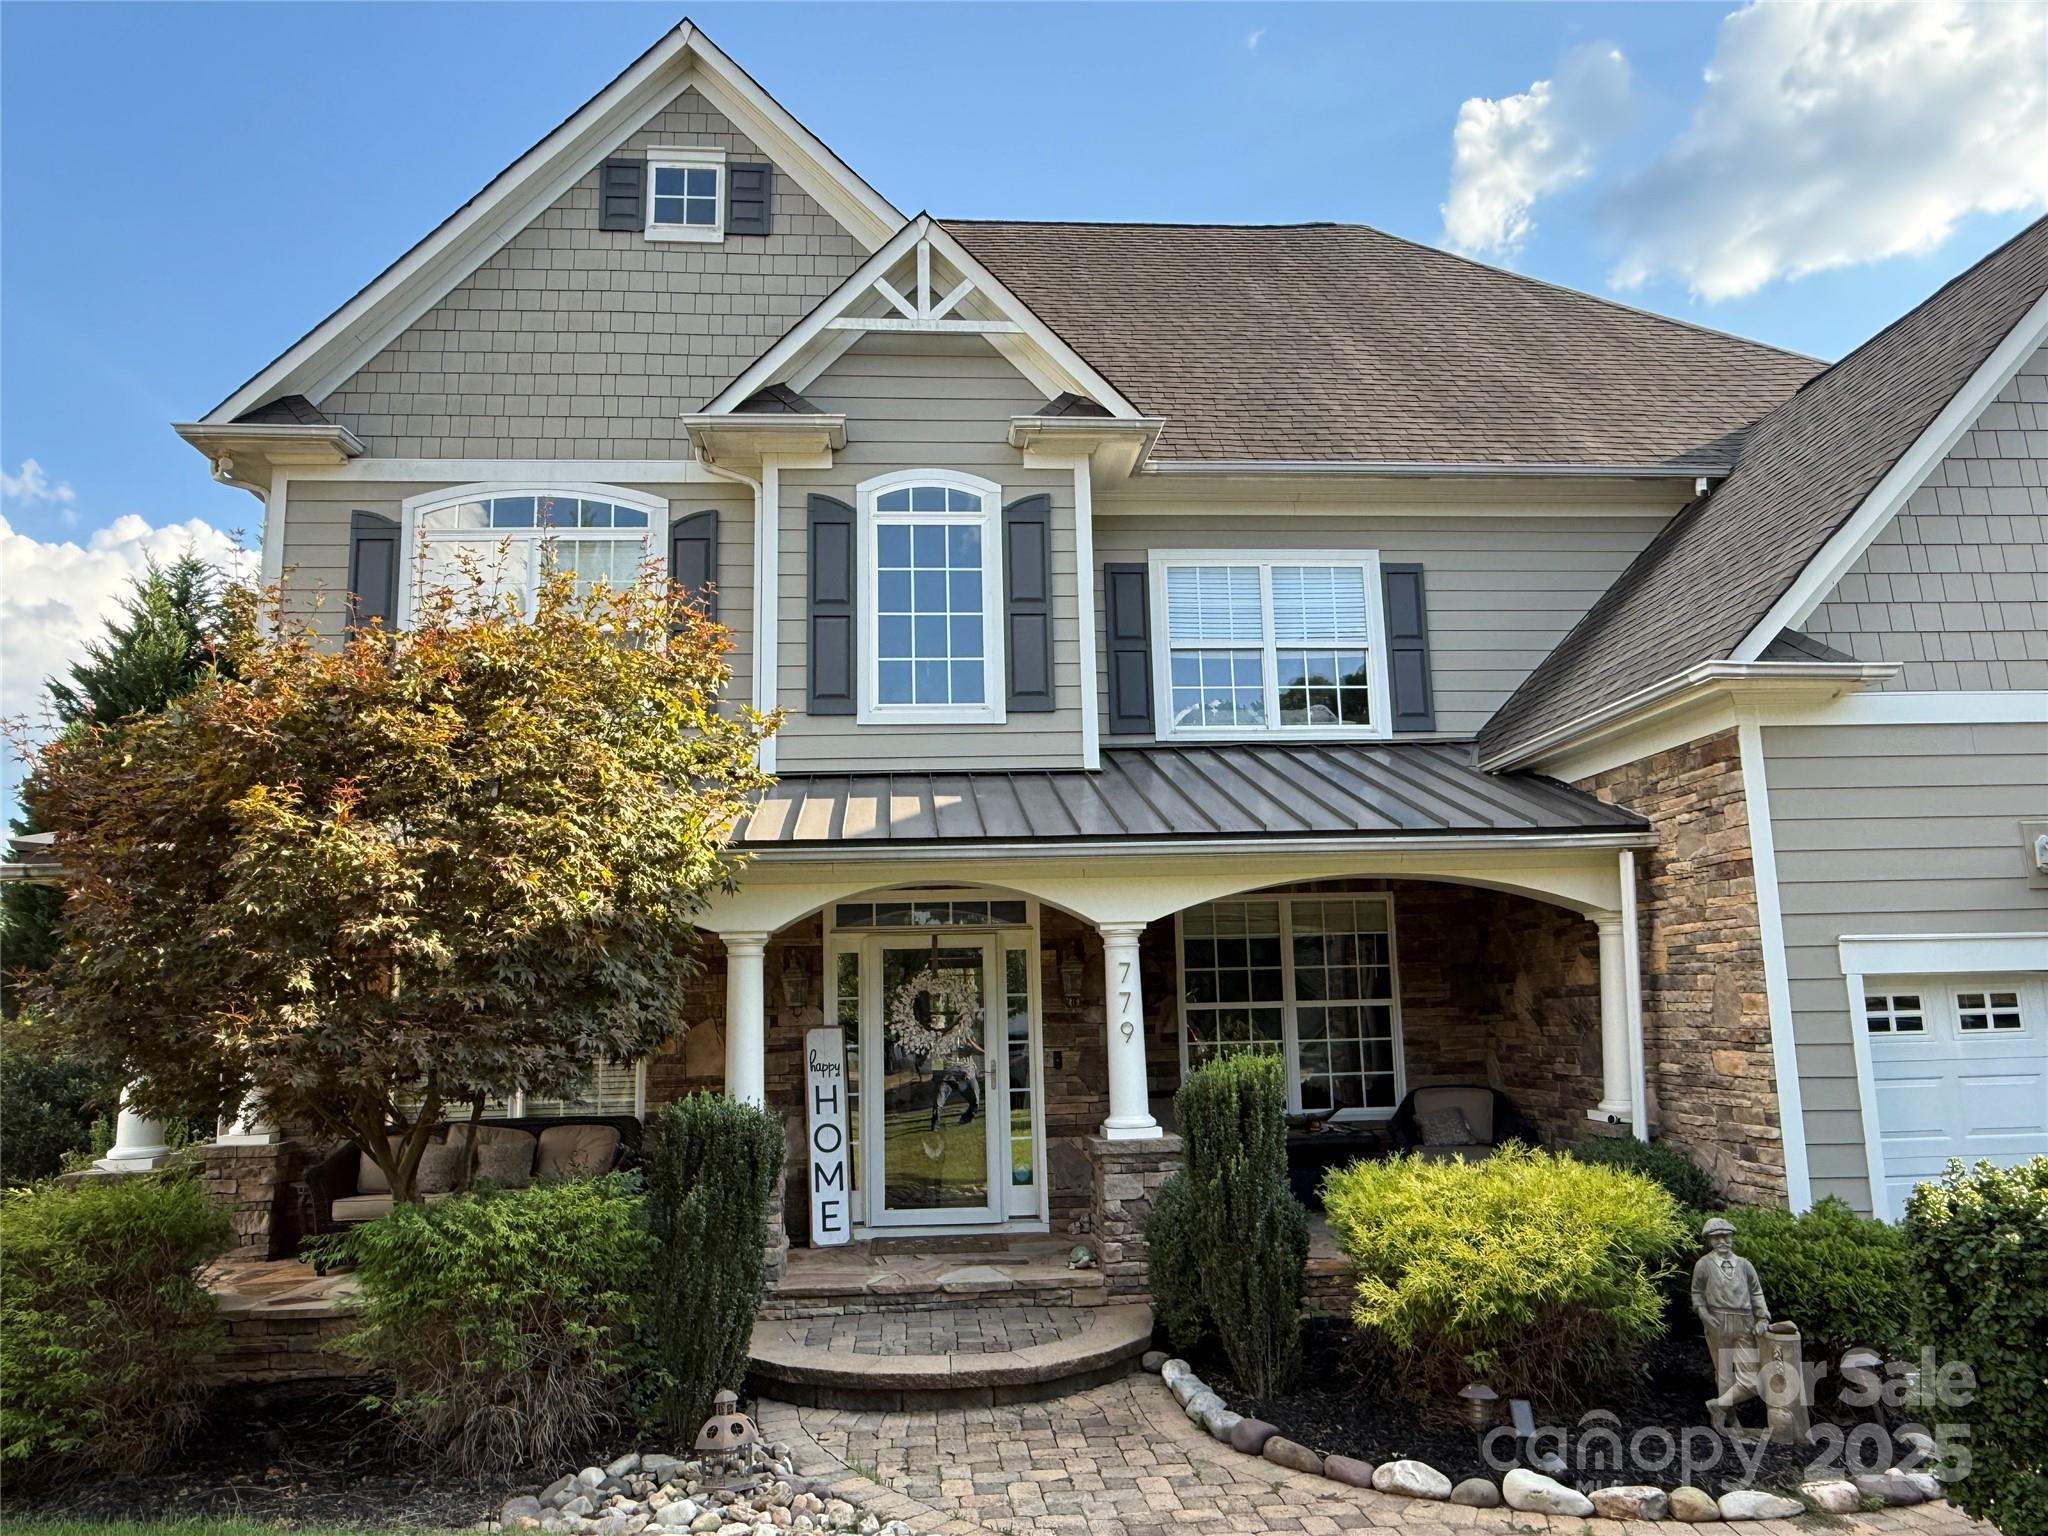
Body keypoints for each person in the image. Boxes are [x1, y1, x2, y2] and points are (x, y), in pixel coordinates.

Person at [1691, 1215, 1771, 1430]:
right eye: (1716, 1238)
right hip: (1718, 1321)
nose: (1722, 1241)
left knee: (1752, 1381)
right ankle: (1730, 1419)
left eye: (1725, 1236)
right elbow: (1697, 1293)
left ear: (1732, 1238)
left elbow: (1756, 1292)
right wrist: (1705, 1316)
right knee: (1724, 1375)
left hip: (1744, 1321)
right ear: (1710, 1241)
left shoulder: (1744, 1265)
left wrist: (1762, 1317)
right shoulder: (1704, 1265)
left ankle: (1719, 1405)